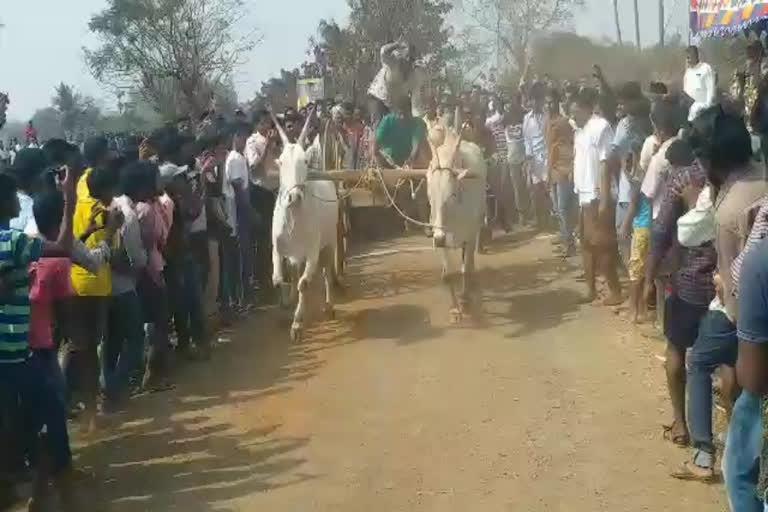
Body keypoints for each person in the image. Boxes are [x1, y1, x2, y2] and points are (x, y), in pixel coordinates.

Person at [671, 106, 768, 482]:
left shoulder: (727, 209)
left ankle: (702, 455)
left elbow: (732, 286)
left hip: (745, 313)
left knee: (698, 360)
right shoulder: (762, 176)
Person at [0, 168, 79, 510]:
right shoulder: (15, 242)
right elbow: (62, 246)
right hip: (15, 353)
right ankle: (60, 482)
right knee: (51, 407)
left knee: (14, 422)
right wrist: (69, 197)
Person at [68, 136, 119, 432]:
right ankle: (90, 408)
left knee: (78, 347)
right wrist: (113, 230)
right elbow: (99, 255)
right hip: (94, 283)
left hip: (76, 283)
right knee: (90, 349)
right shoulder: (100, 209)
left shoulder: (79, 192)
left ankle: (86, 408)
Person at [102, 161, 153, 410]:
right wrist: (141, 264)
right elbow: (137, 257)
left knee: (111, 341)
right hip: (124, 287)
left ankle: (106, 387)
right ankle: (115, 389)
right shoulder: (130, 215)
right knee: (134, 340)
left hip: (102, 285)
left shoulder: (111, 205)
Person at [571, 88, 622, 305]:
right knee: (585, 243)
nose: (572, 116)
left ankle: (615, 290)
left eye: (575, 112)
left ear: (586, 109)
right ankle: (590, 289)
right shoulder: (579, 131)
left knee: (602, 244)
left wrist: (603, 198)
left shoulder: (601, 127)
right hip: (583, 195)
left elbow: (606, 163)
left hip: (597, 195)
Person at [545, 87, 574, 255]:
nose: (549, 105)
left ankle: (569, 242)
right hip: (554, 168)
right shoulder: (548, 123)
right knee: (558, 208)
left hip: (564, 168)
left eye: (552, 102)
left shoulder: (563, 122)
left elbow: (569, 144)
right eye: (547, 102)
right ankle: (565, 238)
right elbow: (550, 149)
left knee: (563, 208)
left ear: (557, 102)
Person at [367, 39, 424, 124]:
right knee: (378, 123)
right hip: (377, 96)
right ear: (402, 55)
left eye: (411, 58)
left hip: (392, 103)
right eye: (406, 56)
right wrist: (396, 44)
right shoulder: (393, 61)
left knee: (394, 125)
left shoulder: (414, 76)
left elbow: (415, 100)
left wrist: (419, 120)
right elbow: (383, 52)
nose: (408, 60)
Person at [522, 82, 550, 229]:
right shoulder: (527, 118)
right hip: (534, 159)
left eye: (538, 99)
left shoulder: (549, 115)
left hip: (547, 157)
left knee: (547, 189)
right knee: (535, 190)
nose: (535, 102)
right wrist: (529, 161)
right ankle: (540, 221)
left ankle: (549, 219)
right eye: (533, 99)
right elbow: (527, 140)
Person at [683, 45, 717, 122]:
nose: (687, 60)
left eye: (689, 58)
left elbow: (711, 91)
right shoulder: (688, 72)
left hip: (703, 114)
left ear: (695, 56)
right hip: (690, 114)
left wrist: (706, 108)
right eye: (686, 58)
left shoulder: (705, 68)